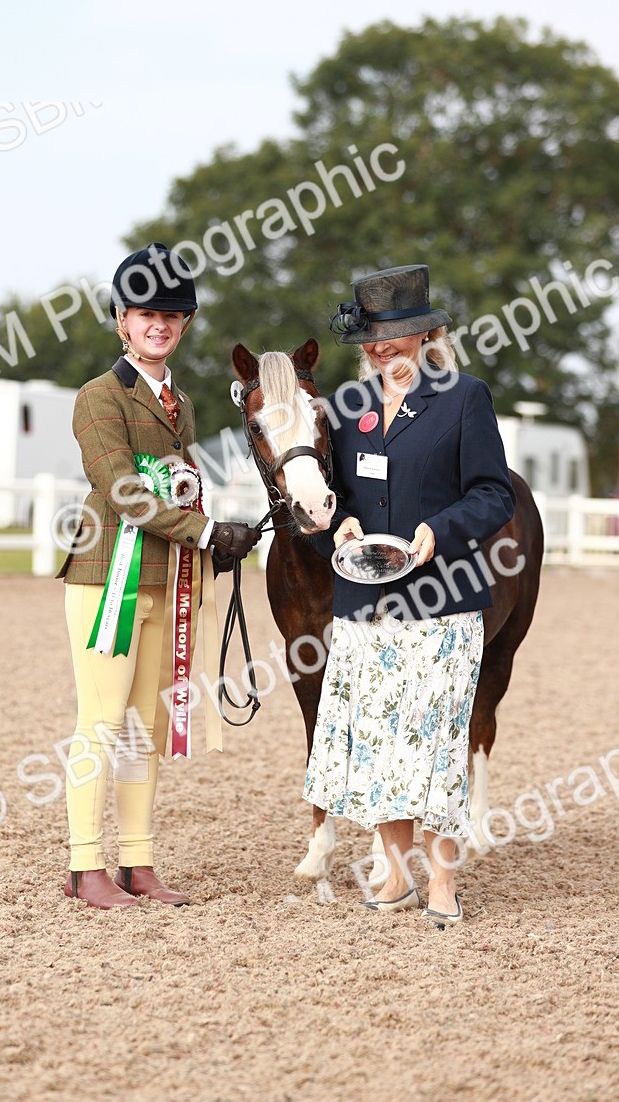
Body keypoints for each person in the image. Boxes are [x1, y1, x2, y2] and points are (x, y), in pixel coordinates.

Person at [304, 264, 515, 929]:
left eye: (394, 336)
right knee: (377, 743)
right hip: (365, 608)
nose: (381, 348)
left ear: (427, 336)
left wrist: (437, 530)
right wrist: (335, 524)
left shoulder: (464, 398)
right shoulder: (347, 410)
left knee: (436, 744)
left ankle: (444, 879)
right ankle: (394, 871)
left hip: (444, 605)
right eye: (372, 338)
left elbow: (493, 494)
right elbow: (329, 505)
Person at [57, 242, 260, 909]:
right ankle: (86, 865)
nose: (159, 326)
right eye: (146, 315)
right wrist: (202, 531)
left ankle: (137, 863)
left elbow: (180, 490)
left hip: (167, 578)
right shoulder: (98, 398)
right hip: (106, 578)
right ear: (121, 320)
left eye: (172, 316)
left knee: (144, 723)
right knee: (102, 719)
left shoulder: (182, 403)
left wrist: (215, 539)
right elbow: (124, 491)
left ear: (186, 324)